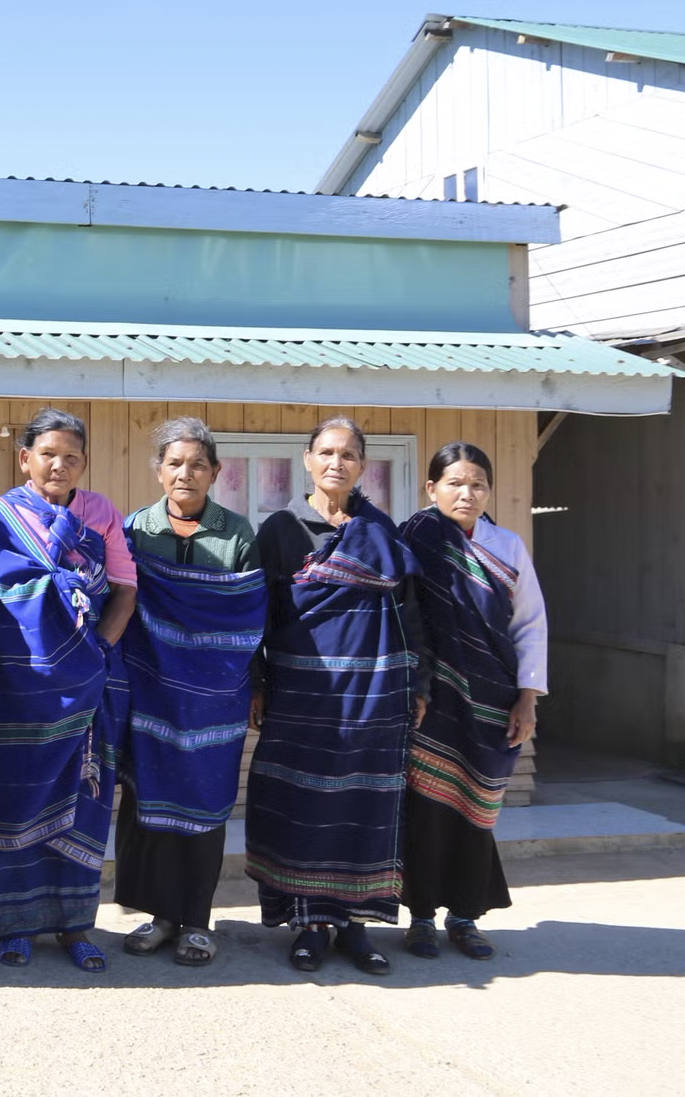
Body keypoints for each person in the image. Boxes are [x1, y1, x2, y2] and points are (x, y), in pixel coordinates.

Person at [246, 416, 431, 976]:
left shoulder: (380, 531)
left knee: (361, 807)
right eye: (326, 452)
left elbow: (409, 613)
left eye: (348, 454)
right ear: (307, 460)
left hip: (373, 698)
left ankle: (355, 927)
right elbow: (257, 616)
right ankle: (310, 926)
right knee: (304, 806)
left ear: (362, 465)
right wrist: (257, 682)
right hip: (302, 697)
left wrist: (418, 682)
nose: (336, 463)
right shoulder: (280, 529)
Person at [0, 409, 136, 972]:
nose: (60, 465)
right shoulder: (2, 517)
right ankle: (14, 927)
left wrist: (97, 651)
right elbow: (2, 598)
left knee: (85, 804)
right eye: (48, 454)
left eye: (72, 457)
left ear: (84, 463)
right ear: (25, 459)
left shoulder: (101, 513)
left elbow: (124, 590)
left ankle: (75, 927)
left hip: (88, 683)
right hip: (21, 686)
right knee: (20, 800)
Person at [115, 417, 265, 968]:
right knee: (149, 800)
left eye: (198, 464)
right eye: (175, 463)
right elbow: (122, 602)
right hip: (150, 690)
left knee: (204, 803)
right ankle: (160, 916)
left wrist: (257, 684)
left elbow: (251, 614)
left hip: (215, 697)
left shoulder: (237, 534)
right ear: (158, 470)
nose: (186, 473)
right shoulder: (135, 530)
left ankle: (197, 922)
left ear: (216, 472)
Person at [399, 442, 547, 961]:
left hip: (492, 700)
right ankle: (420, 917)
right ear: (431, 488)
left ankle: (464, 917)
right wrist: (413, 686)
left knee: (477, 807)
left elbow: (530, 625)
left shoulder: (507, 547)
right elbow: (402, 618)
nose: (467, 493)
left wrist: (527, 699)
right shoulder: (413, 540)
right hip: (431, 699)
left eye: (478, 484)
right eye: (455, 483)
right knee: (424, 809)